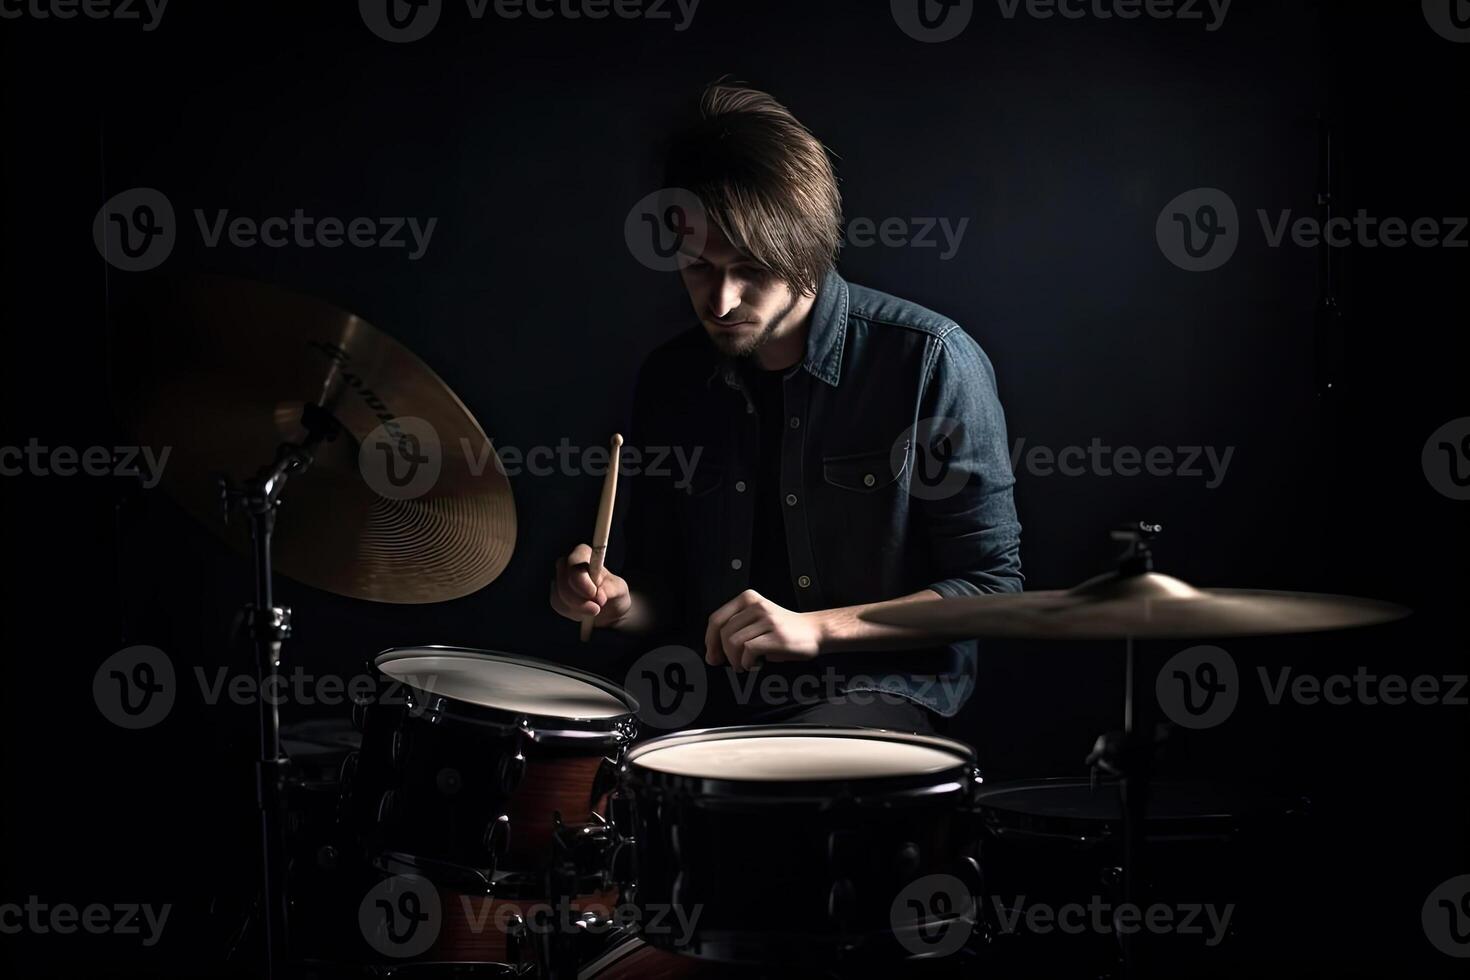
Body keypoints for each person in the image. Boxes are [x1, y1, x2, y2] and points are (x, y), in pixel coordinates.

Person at [550, 81, 1022, 734]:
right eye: (698, 267)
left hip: (879, 696)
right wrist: (615, 602)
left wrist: (816, 631)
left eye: (748, 268)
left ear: (805, 247)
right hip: (716, 700)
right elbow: (663, 590)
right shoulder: (671, 379)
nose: (719, 301)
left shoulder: (928, 361)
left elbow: (994, 588)